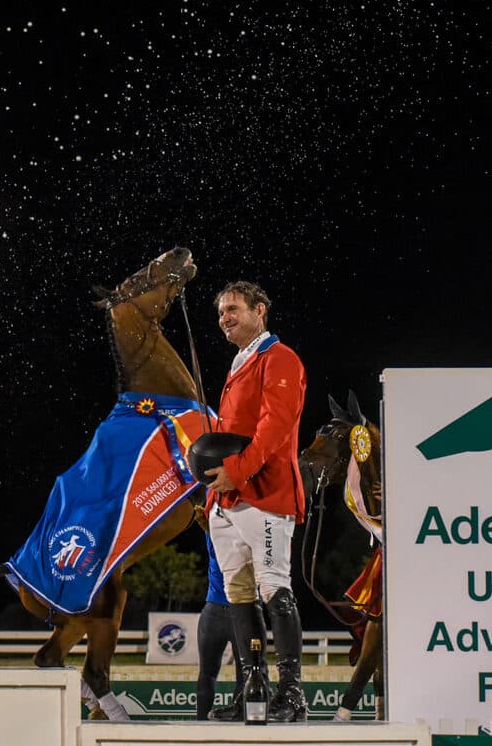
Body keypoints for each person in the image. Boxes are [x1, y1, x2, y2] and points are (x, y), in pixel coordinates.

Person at [204, 281, 308, 721]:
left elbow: (275, 426)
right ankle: (254, 690)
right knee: (239, 594)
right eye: (221, 312)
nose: (224, 318)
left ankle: (292, 696)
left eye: (233, 309)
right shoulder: (240, 361)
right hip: (227, 500)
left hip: (265, 494)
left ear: (259, 310)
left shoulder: (280, 358)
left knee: (274, 589)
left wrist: (238, 470)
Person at [195, 532, 265, 720]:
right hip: (244, 612)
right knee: (246, 675)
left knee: (207, 674)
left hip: (213, 611)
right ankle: (239, 723)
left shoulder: (215, 531)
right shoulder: (252, 536)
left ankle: (200, 725)